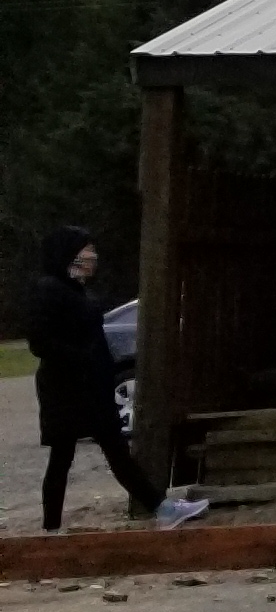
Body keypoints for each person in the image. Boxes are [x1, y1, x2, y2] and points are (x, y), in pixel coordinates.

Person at [24, 225, 163, 534]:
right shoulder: (49, 289)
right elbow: (40, 340)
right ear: (70, 254)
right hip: (64, 389)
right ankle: (50, 528)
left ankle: (159, 506)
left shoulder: (78, 290)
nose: (92, 256)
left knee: (114, 448)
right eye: (87, 250)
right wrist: (80, 358)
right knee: (63, 457)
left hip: (91, 386)